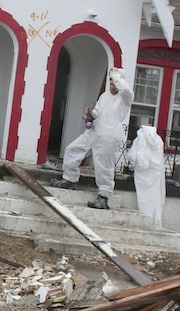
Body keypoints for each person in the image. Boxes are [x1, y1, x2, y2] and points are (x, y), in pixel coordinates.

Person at [50, 67, 134, 210]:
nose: (112, 86)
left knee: (104, 166)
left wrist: (114, 73)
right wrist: (90, 112)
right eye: (111, 83)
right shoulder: (105, 96)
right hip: (94, 132)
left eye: (115, 83)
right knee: (73, 150)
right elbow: (98, 113)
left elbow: (125, 89)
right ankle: (70, 179)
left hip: (109, 137)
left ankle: (104, 197)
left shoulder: (125, 97)